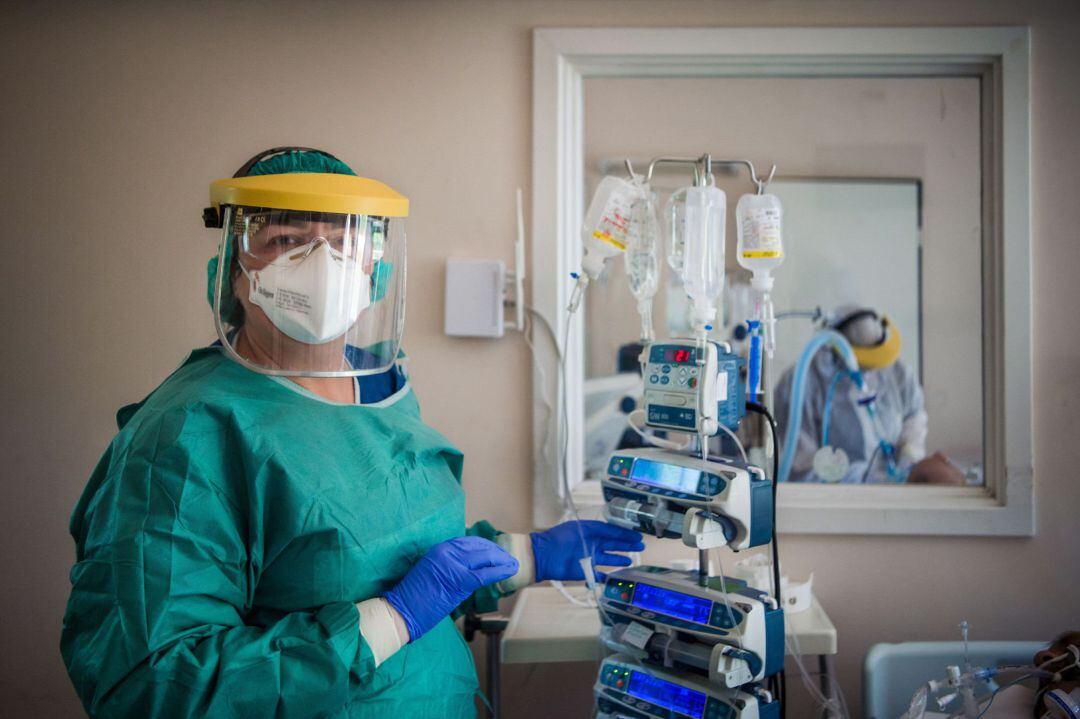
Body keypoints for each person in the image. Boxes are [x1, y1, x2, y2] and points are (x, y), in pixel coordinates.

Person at [61, 147, 644, 718]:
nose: (323, 262)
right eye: (284, 241)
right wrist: (388, 621)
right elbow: (152, 687)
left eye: (345, 243)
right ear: (233, 275)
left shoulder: (379, 390)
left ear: (375, 271)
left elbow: (375, 557)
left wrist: (523, 556)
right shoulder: (186, 436)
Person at [774, 305, 965, 484]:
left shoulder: (897, 373)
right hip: (834, 500)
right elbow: (800, 466)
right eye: (864, 366)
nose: (870, 373)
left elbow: (913, 418)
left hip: (897, 493)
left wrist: (909, 457)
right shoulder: (800, 384)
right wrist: (869, 480)